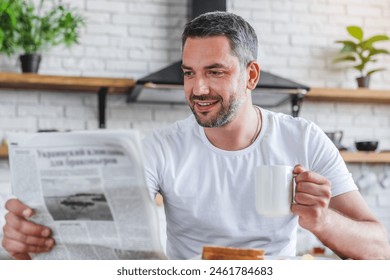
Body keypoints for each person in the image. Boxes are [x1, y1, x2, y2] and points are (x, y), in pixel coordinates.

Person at [2, 11, 390, 260]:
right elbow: (98, 227)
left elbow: (380, 249)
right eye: (189, 72)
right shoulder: (160, 147)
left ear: (250, 75)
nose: (198, 88)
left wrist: (323, 221)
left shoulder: (304, 139)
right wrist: (33, 234)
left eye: (215, 71)